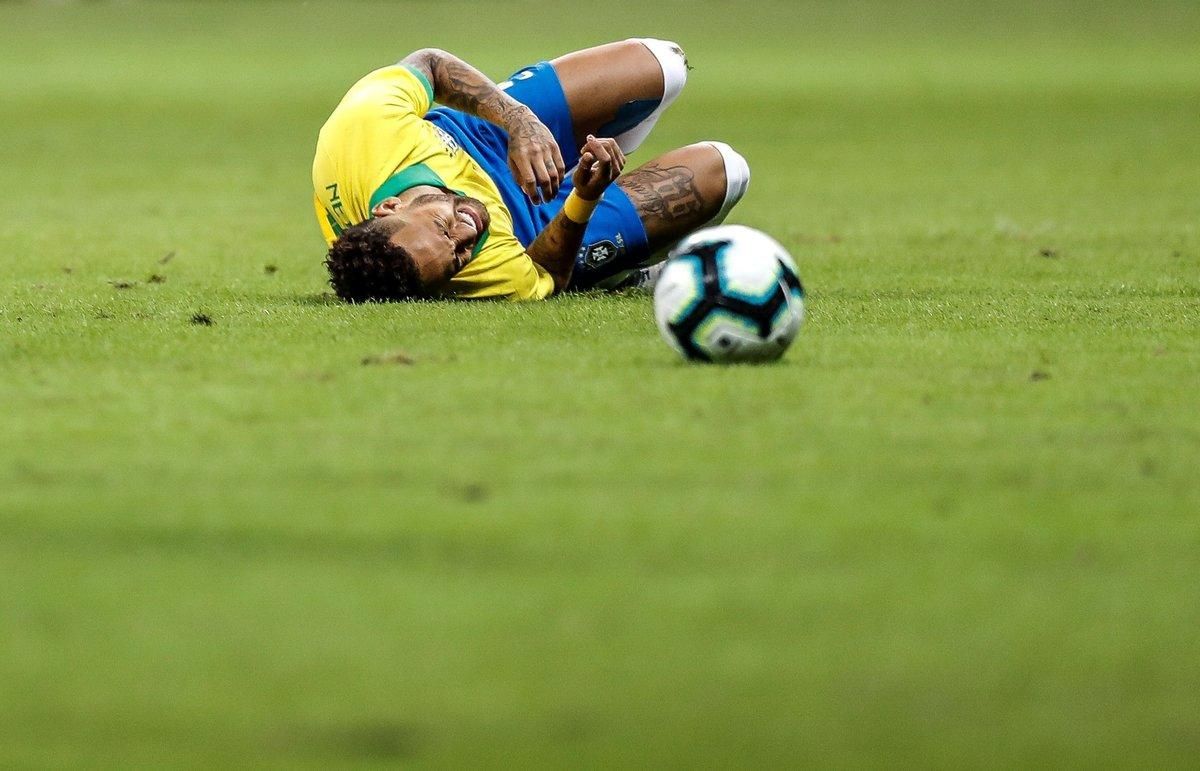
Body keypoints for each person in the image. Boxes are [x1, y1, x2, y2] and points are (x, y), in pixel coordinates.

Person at [313, 39, 750, 301]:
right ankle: (616, 267)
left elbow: (429, 62)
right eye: (457, 256)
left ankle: (575, 144)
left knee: (663, 63)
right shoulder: (486, 270)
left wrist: (519, 120)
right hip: (532, 226)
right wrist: (584, 196)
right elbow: (546, 276)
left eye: (443, 227)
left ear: (388, 207)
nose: (467, 233)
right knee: (725, 169)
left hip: (480, 136)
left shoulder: (362, 131)